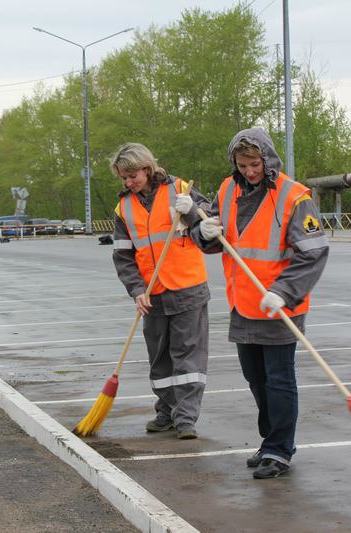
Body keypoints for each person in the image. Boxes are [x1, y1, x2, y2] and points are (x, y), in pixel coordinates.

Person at [186, 127, 329, 479]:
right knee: (255, 378)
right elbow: (218, 239)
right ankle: (272, 442)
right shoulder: (227, 189)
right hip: (243, 303)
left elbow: (313, 252)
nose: (249, 171)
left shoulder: (294, 197)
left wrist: (284, 290)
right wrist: (202, 233)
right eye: (242, 163)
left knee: (279, 380)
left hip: (280, 306)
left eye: (254, 163)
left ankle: (279, 450)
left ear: (267, 159)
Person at [109, 142, 211, 440]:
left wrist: (192, 211)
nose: (128, 183)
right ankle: (167, 410)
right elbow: (123, 256)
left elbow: (210, 219)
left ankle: (186, 418)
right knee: (160, 359)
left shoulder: (180, 189)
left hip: (188, 289)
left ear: (146, 168)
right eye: (123, 178)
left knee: (187, 358)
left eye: (132, 176)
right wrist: (137, 290)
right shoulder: (123, 208)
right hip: (152, 295)